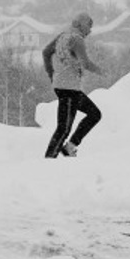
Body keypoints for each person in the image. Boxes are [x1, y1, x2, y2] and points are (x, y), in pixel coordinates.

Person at [42, 12, 104, 158]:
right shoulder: (77, 40)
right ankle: (49, 159)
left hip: (64, 87)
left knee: (94, 114)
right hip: (68, 89)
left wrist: (52, 74)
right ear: (82, 25)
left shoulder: (63, 36)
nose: (90, 30)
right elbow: (85, 63)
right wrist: (102, 71)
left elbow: (46, 52)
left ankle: (69, 147)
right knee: (63, 128)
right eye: (89, 26)